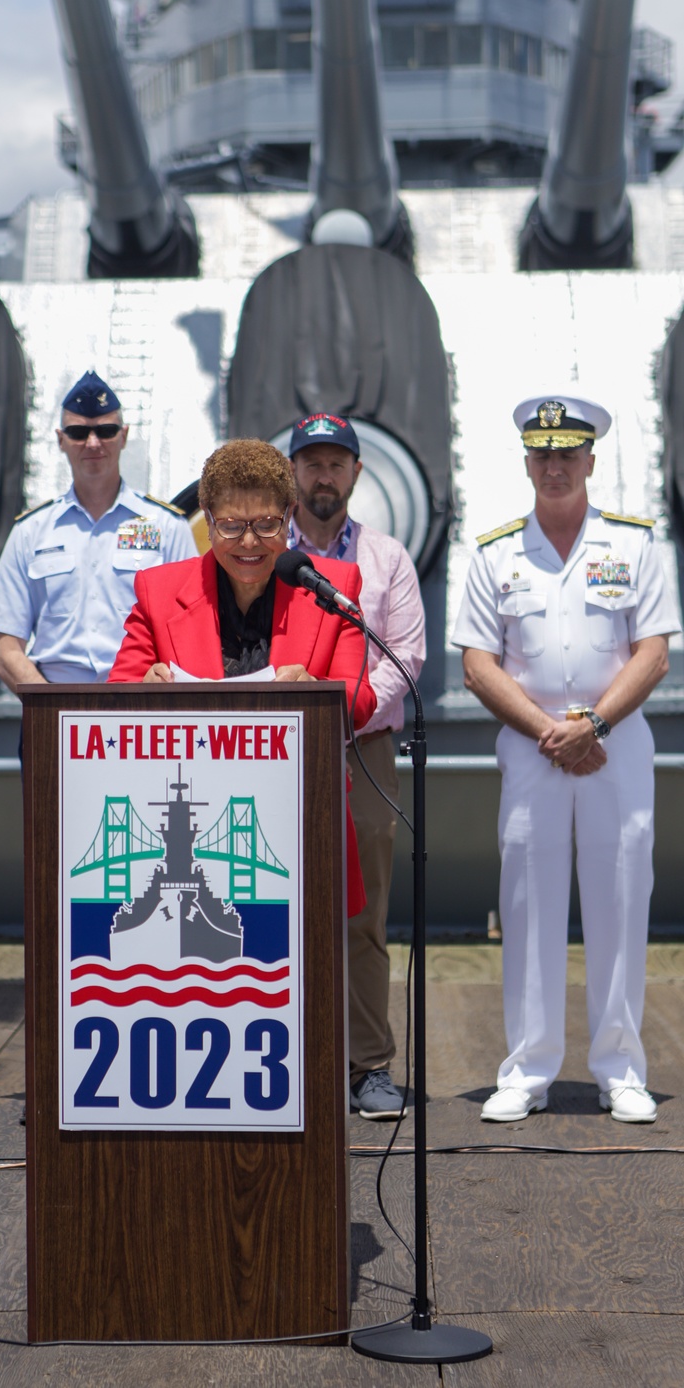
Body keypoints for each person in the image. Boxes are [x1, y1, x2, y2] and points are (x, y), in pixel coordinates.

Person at [452, 396, 677, 1124]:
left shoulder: (637, 545)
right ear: (526, 462)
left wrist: (595, 723)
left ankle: (620, 1069)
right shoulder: (495, 552)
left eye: (567, 453)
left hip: (616, 743)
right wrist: (551, 730)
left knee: (620, 898)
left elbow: (654, 651)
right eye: (542, 454)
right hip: (531, 747)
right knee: (528, 905)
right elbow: (479, 665)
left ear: (589, 460)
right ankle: (527, 1066)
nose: (554, 466)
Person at [108, 438, 377, 915]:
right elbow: (113, 701)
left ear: (290, 515)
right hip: (187, 833)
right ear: (207, 519)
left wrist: (319, 694)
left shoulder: (336, 586)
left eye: (267, 525)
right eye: (231, 526)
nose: (250, 543)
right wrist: (142, 692)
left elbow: (360, 697)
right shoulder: (158, 589)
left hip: (302, 820)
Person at [288, 412, 426, 1120]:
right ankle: (284, 1060)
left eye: (335, 463)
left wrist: (340, 718)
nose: (323, 475)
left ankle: (368, 1064)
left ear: (356, 474)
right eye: (311, 462)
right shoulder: (260, 552)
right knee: (271, 910)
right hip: (272, 757)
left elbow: (403, 660)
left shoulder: (387, 559)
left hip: (360, 751)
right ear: (292, 472)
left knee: (363, 916)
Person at [0, 370, 196, 688]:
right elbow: (5, 648)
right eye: (78, 432)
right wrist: (49, 708)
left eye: (105, 430)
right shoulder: (31, 531)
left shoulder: (167, 528)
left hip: (140, 703)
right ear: (60, 439)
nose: (93, 443)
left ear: (124, 435)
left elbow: (191, 628)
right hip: (53, 701)